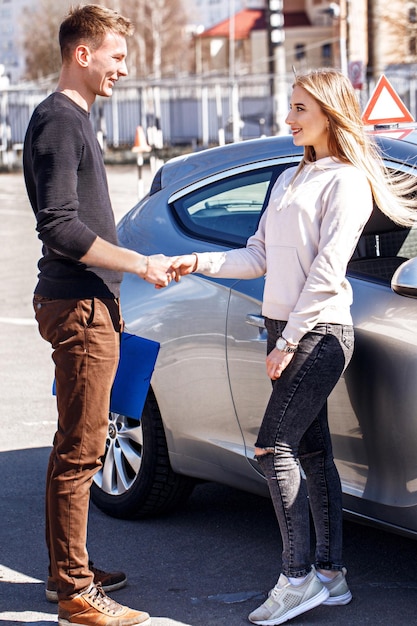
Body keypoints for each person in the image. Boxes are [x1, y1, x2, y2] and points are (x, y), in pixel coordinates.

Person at [171, 68, 417, 626]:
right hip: (286, 327)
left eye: (300, 108)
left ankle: (296, 578)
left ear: (330, 112)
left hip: (321, 332)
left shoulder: (347, 182)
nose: (289, 118)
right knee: (311, 454)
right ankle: (329, 576)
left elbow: (328, 274)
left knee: (271, 448)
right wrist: (199, 262)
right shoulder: (287, 179)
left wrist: (289, 340)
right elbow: (258, 256)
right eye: (290, 107)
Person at [23, 5, 175, 625]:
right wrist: (137, 264)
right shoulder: (58, 121)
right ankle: (75, 593)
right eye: (115, 56)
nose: (123, 68)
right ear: (81, 54)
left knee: (78, 444)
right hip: (78, 304)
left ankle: (71, 568)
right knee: (82, 449)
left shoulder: (77, 119)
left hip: (91, 303)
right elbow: (59, 226)